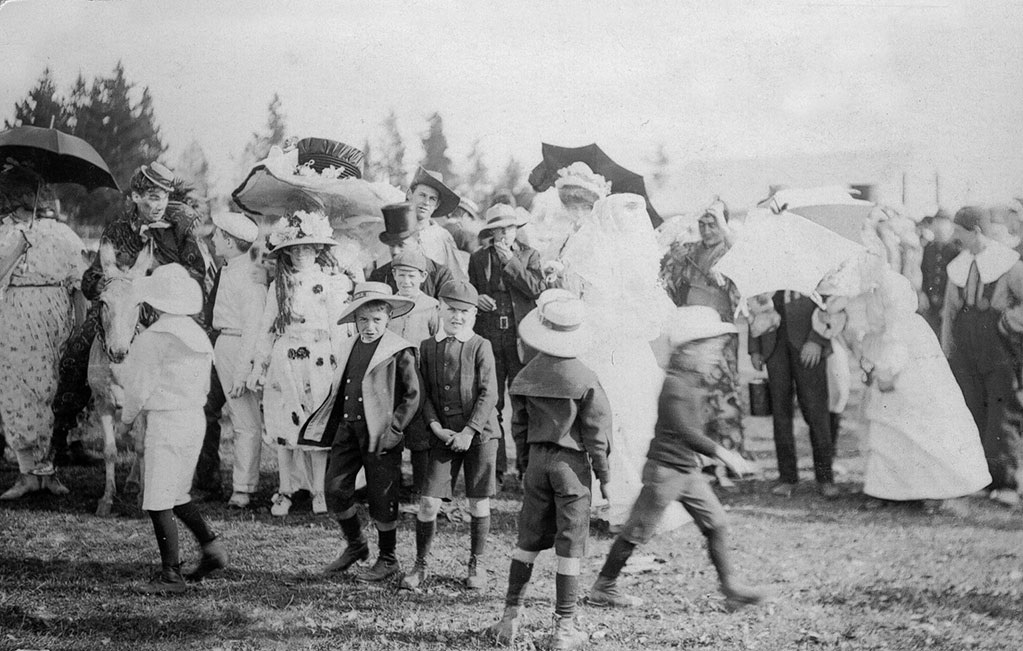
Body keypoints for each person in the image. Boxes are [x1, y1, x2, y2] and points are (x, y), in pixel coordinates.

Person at [586, 306, 765, 610]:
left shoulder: (692, 380)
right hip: (664, 472)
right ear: (688, 350)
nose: (715, 356)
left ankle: (731, 588)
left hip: (686, 471)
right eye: (709, 349)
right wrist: (724, 454)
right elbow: (686, 431)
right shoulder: (674, 383)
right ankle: (604, 586)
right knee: (635, 532)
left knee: (717, 524)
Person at [51, 162, 207, 467]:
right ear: (135, 196)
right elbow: (92, 281)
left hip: (169, 309)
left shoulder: (183, 223)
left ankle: (198, 458)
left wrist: (155, 271)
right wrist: (101, 280)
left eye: (163, 196)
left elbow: (198, 273)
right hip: (120, 308)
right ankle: (64, 436)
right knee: (76, 351)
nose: (159, 204)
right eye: (151, 196)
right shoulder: (118, 229)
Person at [550, 190, 687, 530]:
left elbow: (653, 316)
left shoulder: (637, 262)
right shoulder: (593, 253)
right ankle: (601, 500)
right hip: (599, 348)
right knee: (600, 423)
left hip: (624, 352)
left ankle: (629, 507)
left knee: (629, 422)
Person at [487, 291, 611, 650]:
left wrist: (526, 463)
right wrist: (604, 477)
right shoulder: (586, 378)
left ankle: (509, 616)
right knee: (569, 547)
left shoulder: (526, 375)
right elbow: (596, 434)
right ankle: (564, 628)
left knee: (527, 540)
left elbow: (519, 427)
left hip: (537, 462)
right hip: (571, 466)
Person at [822, 261, 991, 510]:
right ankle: (886, 490)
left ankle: (932, 489)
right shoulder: (858, 288)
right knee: (884, 427)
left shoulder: (892, 284)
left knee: (916, 421)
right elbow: (853, 325)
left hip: (907, 356)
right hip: (881, 350)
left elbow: (897, 328)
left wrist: (887, 369)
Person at [114, 264, 226, 593]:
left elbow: (137, 387)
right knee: (177, 494)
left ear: (156, 302)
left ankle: (171, 575)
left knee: (159, 499)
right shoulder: (199, 336)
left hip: (166, 421)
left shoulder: (153, 338)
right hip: (193, 419)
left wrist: (126, 420)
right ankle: (211, 548)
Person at [302, 282, 419, 583]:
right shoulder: (349, 345)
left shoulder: (398, 351)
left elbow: (412, 396)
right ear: (355, 319)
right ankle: (356, 545)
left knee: (382, 495)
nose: (369, 326)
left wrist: (394, 429)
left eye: (376, 320)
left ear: (388, 318)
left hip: (380, 433)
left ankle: (388, 558)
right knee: (335, 488)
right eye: (363, 319)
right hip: (348, 428)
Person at [246, 210, 352, 516]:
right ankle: (286, 490)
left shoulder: (330, 283)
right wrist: (259, 365)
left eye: (307, 248)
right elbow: (268, 327)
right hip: (286, 357)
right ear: (287, 253)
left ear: (318, 250)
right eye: (295, 249)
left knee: (316, 427)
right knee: (285, 426)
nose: (302, 254)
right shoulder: (278, 286)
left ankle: (318, 490)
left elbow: (338, 327)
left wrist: (341, 367)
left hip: (319, 358)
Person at [402, 280, 498, 591]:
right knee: (429, 502)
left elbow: (489, 394)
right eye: (451, 310)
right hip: (442, 434)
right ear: (440, 309)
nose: (457, 317)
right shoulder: (428, 347)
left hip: (479, 434)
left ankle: (476, 562)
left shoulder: (480, 345)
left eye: (465, 312)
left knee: (477, 502)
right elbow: (425, 393)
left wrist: (470, 431)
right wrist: (435, 427)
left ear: (474, 315)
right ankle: (421, 563)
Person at [0, 163, 86, 500]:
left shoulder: (61, 233)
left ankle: (48, 472)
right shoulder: (6, 232)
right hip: (14, 319)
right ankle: (26, 474)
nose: (26, 199)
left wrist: (80, 326)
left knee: (52, 390)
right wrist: (19, 243)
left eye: (31, 191)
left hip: (54, 320)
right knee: (17, 390)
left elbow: (80, 281)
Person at [659, 198, 745, 486]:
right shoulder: (692, 251)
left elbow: (744, 273)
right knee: (698, 398)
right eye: (703, 224)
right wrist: (674, 252)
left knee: (724, 398)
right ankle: (705, 461)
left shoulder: (731, 251)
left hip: (718, 333)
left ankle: (729, 461)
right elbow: (670, 276)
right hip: (693, 331)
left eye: (713, 224)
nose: (707, 230)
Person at [941, 206, 1023, 507]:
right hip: (966, 351)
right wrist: (947, 349)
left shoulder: (1010, 265)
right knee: (972, 409)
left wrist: (1007, 322)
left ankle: (1006, 482)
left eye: (959, 231)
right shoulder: (958, 266)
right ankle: (978, 477)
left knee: (1002, 414)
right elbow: (949, 312)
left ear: (975, 231)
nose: (955, 237)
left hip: (999, 349)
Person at [468, 204, 547, 484]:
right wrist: (476, 298)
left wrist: (511, 262)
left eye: (509, 228)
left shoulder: (529, 255)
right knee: (491, 402)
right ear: (490, 232)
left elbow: (537, 289)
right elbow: (470, 291)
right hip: (490, 337)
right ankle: (496, 469)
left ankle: (525, 468)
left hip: (520, 338)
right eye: (498, 229)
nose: (504, 235)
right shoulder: (479, 258)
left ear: (517, 230)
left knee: (523, 404)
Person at [750, 290, 837, 498]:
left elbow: (831, 305)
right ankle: (787, 477)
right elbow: (752, 302)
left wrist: (817, 340)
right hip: (773, 345)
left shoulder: (813, 264)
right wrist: (755, 348)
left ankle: (825, 478)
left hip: (809, 345)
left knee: (816, 412)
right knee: (780, 413)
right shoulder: (766, 265)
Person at [207, 211, 266, 509]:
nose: (213, 239)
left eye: (218, 235)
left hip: (239, 343)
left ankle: (243, 487)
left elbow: (253, 327)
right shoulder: (230, 268)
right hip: (224, 343)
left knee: (245, 420)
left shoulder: (250, 275)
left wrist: (243, 372)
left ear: (229, 241)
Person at [385, 249, 440, 495]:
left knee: (420, 435)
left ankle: (422, 487)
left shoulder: (431, 306)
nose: (406, 282)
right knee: (393, 429)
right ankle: (392, 485)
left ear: (423, 276)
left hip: (419, 378)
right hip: (392, 376)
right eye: (401, 275)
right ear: (394, 275)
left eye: (411, 276)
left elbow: (436, 340)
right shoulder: (387, 304)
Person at [370, 202, 455, 298]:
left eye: (401, 245)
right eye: (392, 245)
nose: (395, 251)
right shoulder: (379, 276)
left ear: (417, 242)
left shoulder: (441, 275)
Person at [406, 167, 467, 281]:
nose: (426, 202)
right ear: (410, 194)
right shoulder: (394, 230)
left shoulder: (443, 237)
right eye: (422, 195)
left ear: (437, 204)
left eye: (432, 199)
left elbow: (458, 280)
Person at [920, 209, 959, 334]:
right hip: (930, 304)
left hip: (946, 304)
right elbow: (924, 272)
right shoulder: (928, 248)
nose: (938, 227)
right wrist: (923, 293)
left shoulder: (955, 250)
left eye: (942, 223)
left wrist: (947, 306)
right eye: (936, 222)